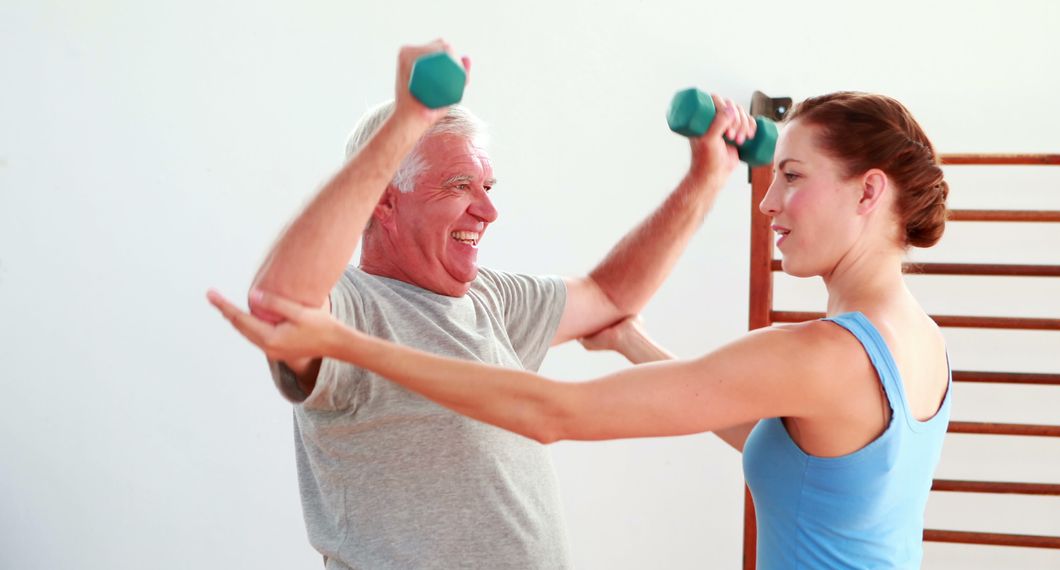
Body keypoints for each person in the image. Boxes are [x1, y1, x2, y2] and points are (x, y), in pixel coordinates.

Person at [212, 89, 953, 569]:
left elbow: (556, 406)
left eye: (791, 177)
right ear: (382, 198)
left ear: (869, 192)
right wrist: (699, 190)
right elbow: (778, 441)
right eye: (457, 187)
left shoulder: (821, 353)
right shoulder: (918, 339)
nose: (769, 205)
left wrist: (343, 346)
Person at [218, 39, 756, 570]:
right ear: (384, 199)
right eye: (459, 186)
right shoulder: (354, 309)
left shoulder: (490, 299)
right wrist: (408, 120)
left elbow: (612, 297)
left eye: (488, 186)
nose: (488, 211)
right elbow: (280, 303)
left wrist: (707, 178)